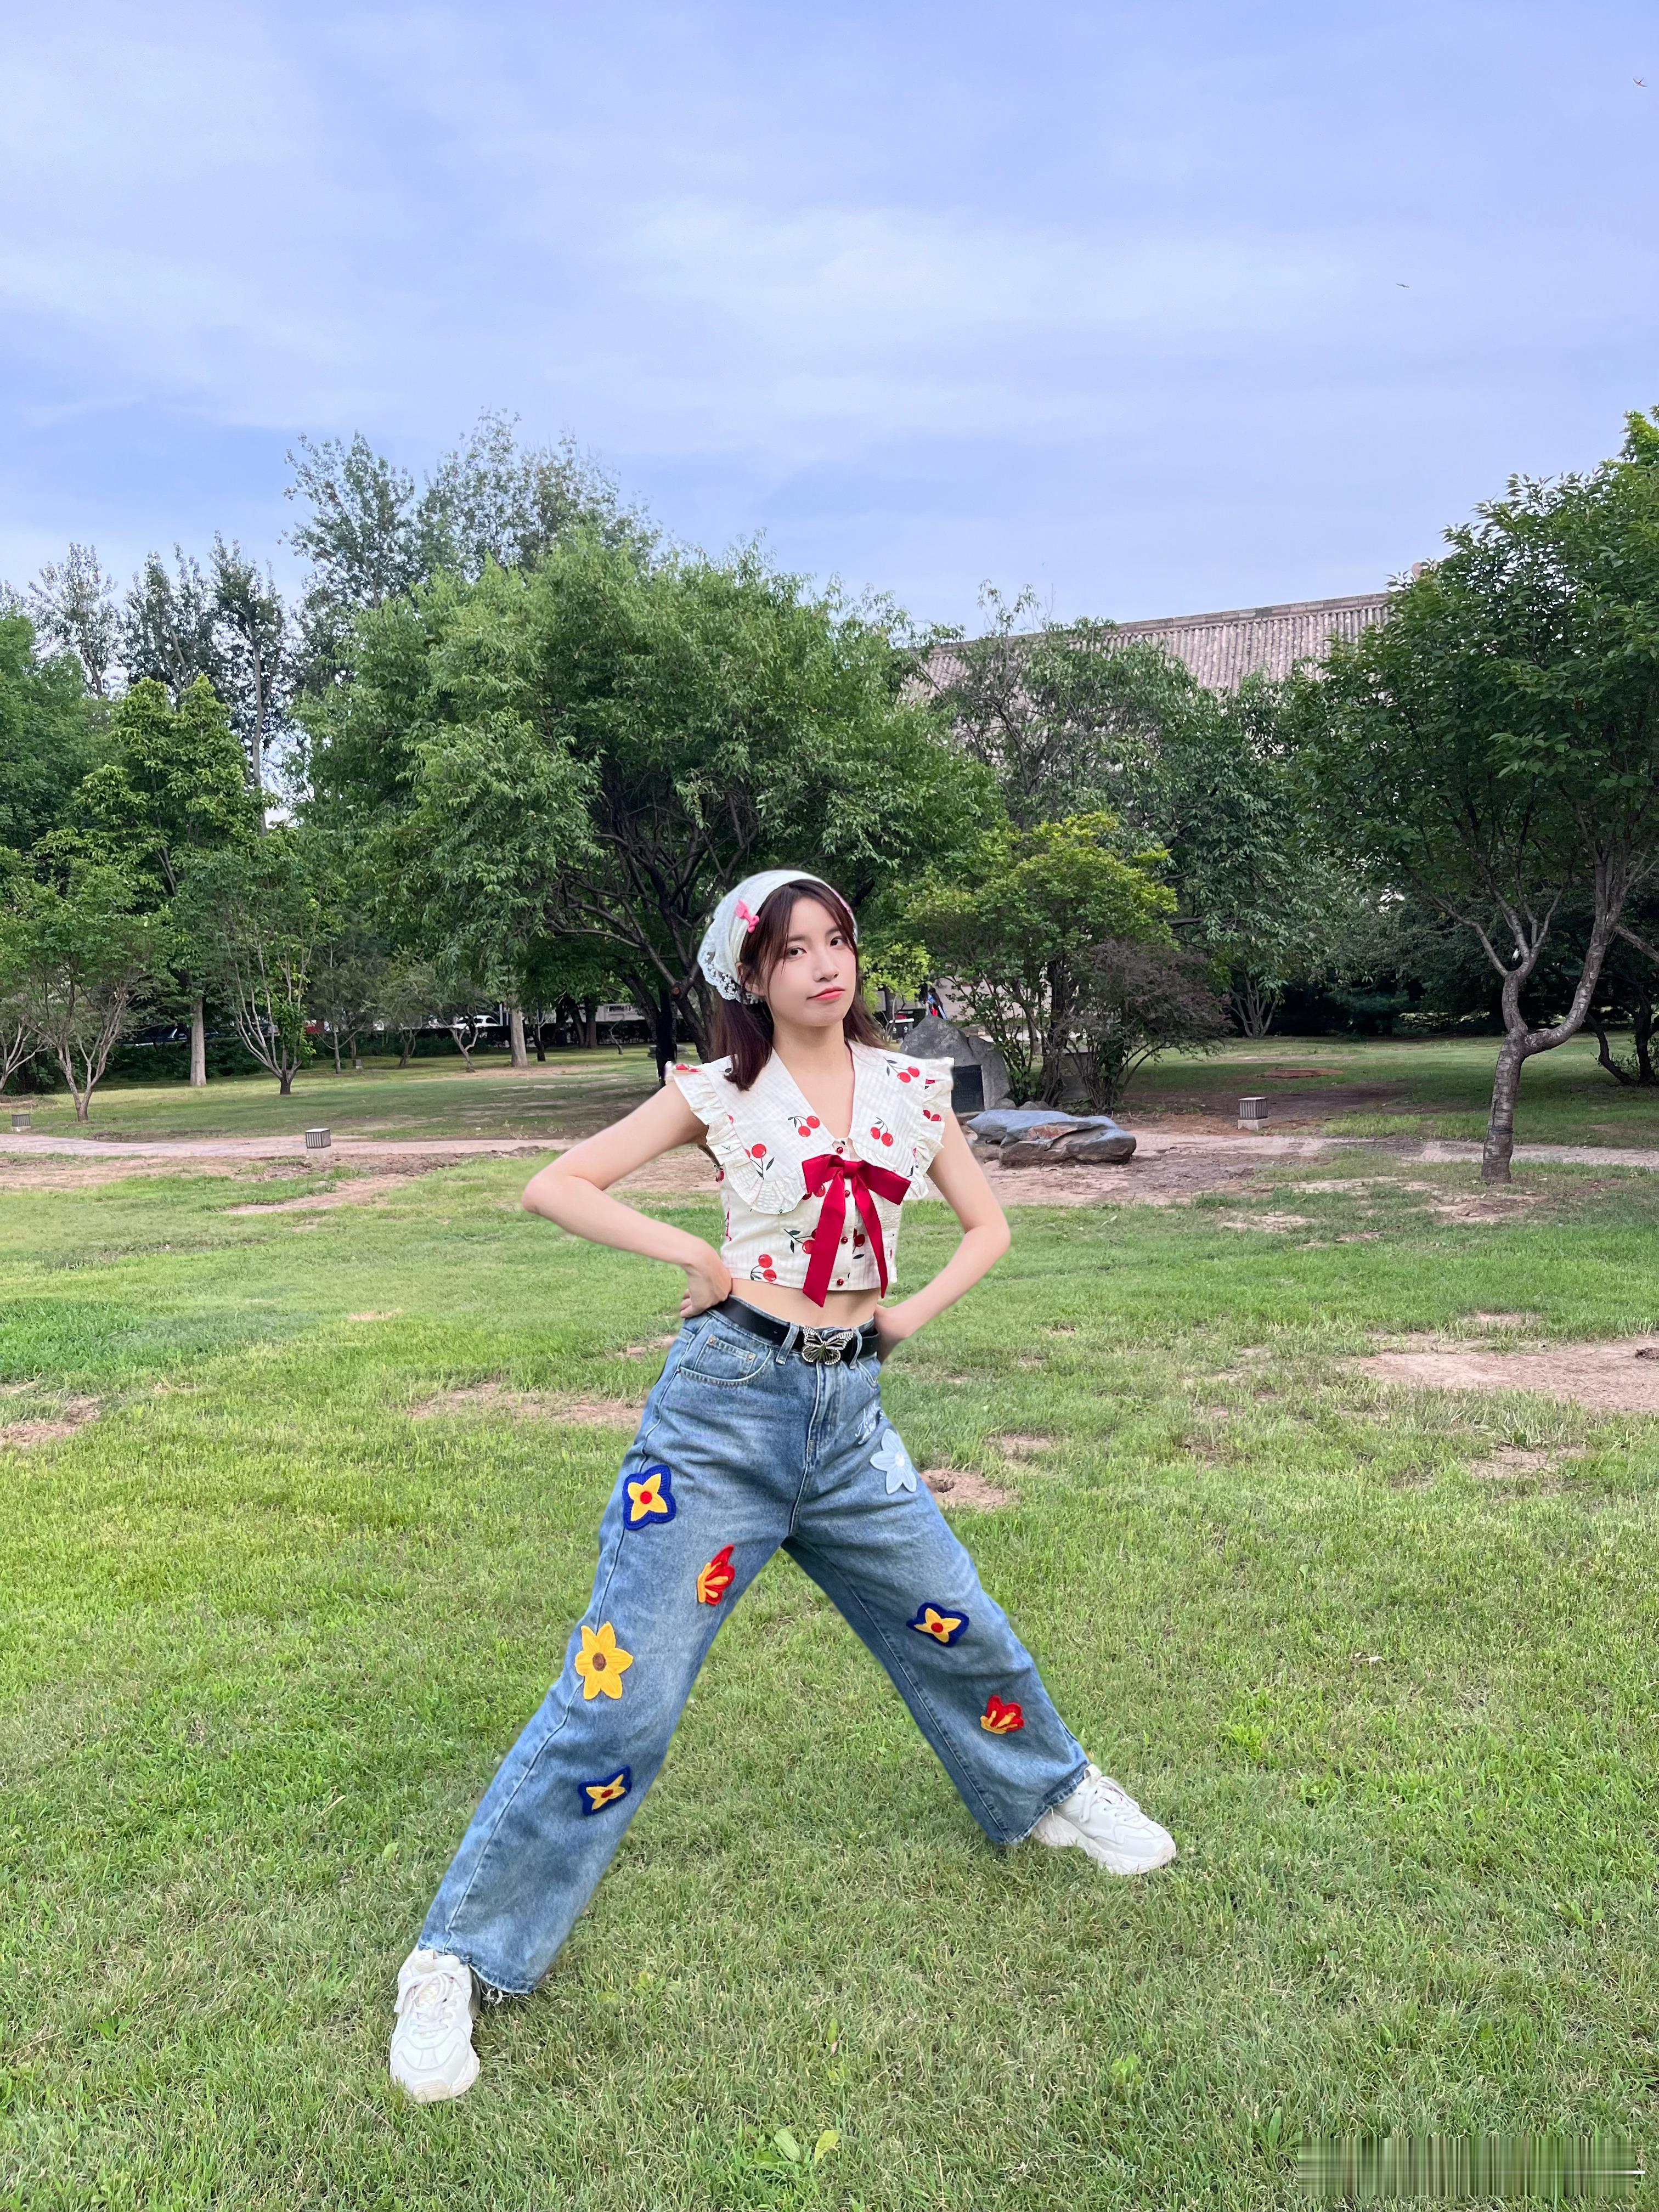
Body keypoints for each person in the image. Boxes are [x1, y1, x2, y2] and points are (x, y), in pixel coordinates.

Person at [389, 870, 1176, 2103]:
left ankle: (1053, 1792)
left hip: (852, 1423)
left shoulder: (913, 1088)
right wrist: (692, 1253)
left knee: (960, 1623)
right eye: (793, 948)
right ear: (751, 974)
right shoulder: (715, 1090)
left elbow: (988, 1228)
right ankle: (456, 1957)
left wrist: (902, 1320)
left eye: (838, 940)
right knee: (622, 1700)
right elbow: (558, 1184)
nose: (824, 964)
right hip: (722, 1421)